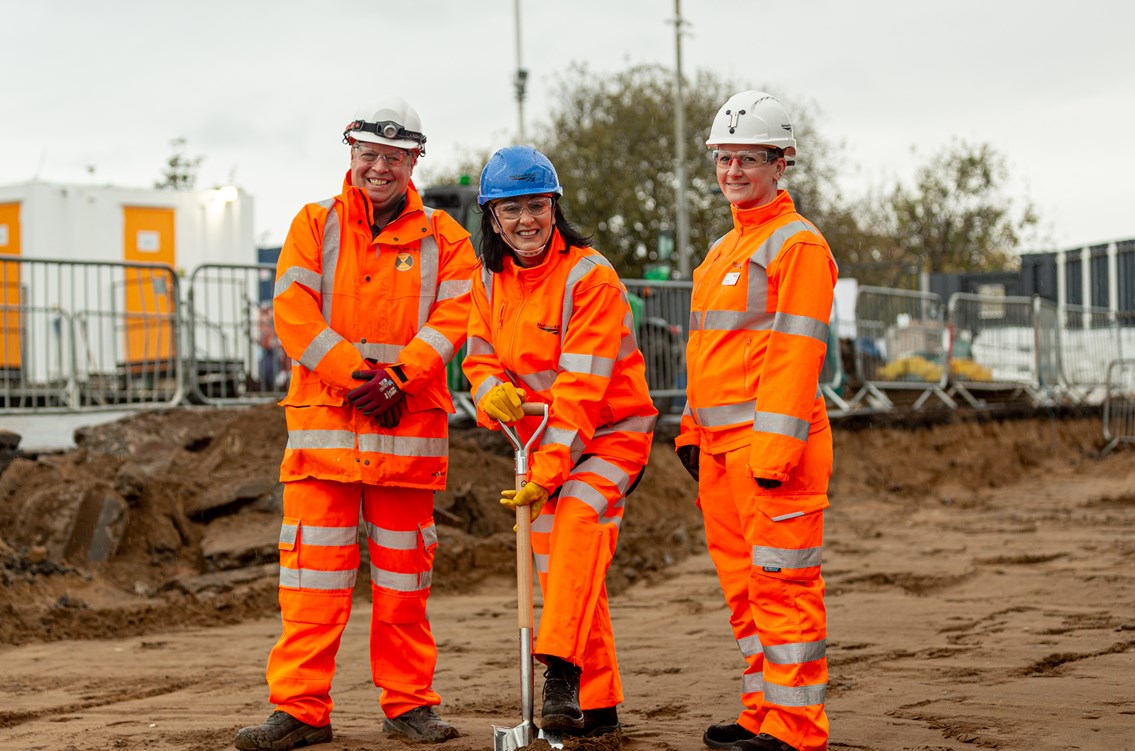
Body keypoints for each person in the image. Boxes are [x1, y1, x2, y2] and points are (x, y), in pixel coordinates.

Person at [234, 96, 478, 750]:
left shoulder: (447, 240)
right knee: (311, 587)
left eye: (393, 157)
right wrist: (358, 376)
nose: (379, 167)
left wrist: (399, 377)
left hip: (403, 436)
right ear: (351, 152)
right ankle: (300, 710)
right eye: (369, 153)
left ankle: (409, 706)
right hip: (326, 439)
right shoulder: (313, 224)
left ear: (414, 160)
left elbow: (456, 319)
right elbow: (292, 312)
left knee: (404, 588)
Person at [462, 145, 657, 738]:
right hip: (542, 441)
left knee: (574, 526)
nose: (526, 221)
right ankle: (598, 711)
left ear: (555, 208)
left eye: (537, 206)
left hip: (612, 434)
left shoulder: (590, 275)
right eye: (511, 209)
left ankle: (560, 671)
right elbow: (480, 356)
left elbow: (581, 388)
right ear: (492, 218)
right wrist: (489, 390)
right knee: (569, 572)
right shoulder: (486, 278)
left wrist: (547, 473)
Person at [675, 91, 838, 751]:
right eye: (723, 158)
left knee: (782, 587)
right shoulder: (721, 251)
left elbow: (795, 354)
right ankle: (760, 712)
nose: (732, 170)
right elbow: (706, 351)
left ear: (780, 163)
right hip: (719, 452)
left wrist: (771, 456)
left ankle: (796, 728)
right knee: (746, 594)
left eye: (747, 158)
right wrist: (690, 429)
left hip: (770, 452)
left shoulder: (796, 244)